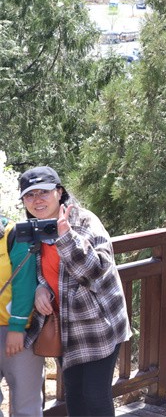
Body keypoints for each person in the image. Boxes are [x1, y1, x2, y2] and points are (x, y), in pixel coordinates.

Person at [23, 166, 130, 417]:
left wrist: (66, 237)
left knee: (95, 395)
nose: (37, 200)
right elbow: (37, 271)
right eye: (29, 195)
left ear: (59, 192)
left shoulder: (84, 221)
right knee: (74, 394)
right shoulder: (34, 229)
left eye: (44, 192)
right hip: (65, 327)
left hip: (98, 325)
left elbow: (95, 270)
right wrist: (40, 288)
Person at [0, 208, 44, 416]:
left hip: (15, 331)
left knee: (26, 406)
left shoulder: (14, 234)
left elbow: (25, 284)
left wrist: (17, 328)